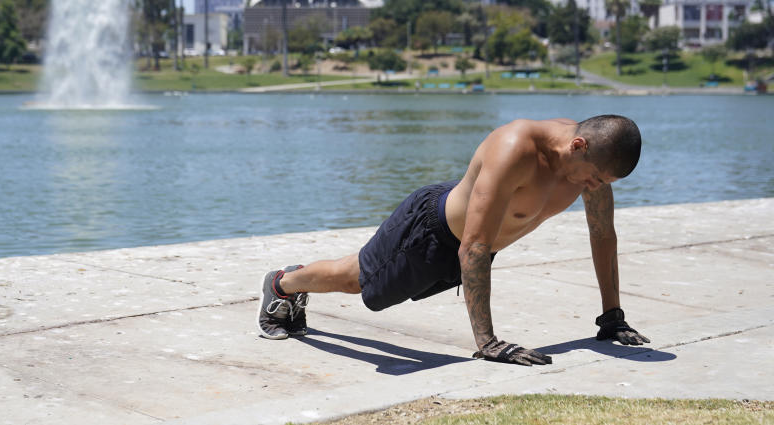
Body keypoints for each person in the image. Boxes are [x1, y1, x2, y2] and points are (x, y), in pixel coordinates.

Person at [257, 114, 650, 366]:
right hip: (430, 231)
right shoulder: (516, 147)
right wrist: (488, 342)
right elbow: (474, 246)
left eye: (604, 183)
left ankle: (290, 282)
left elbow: (602, 234)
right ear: (577, 145)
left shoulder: (587, 162)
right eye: (596, 178)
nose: (595, 188)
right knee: (357, 279)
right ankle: (282, 285)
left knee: (359, 275)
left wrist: (612, 316)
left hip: (471, 238)